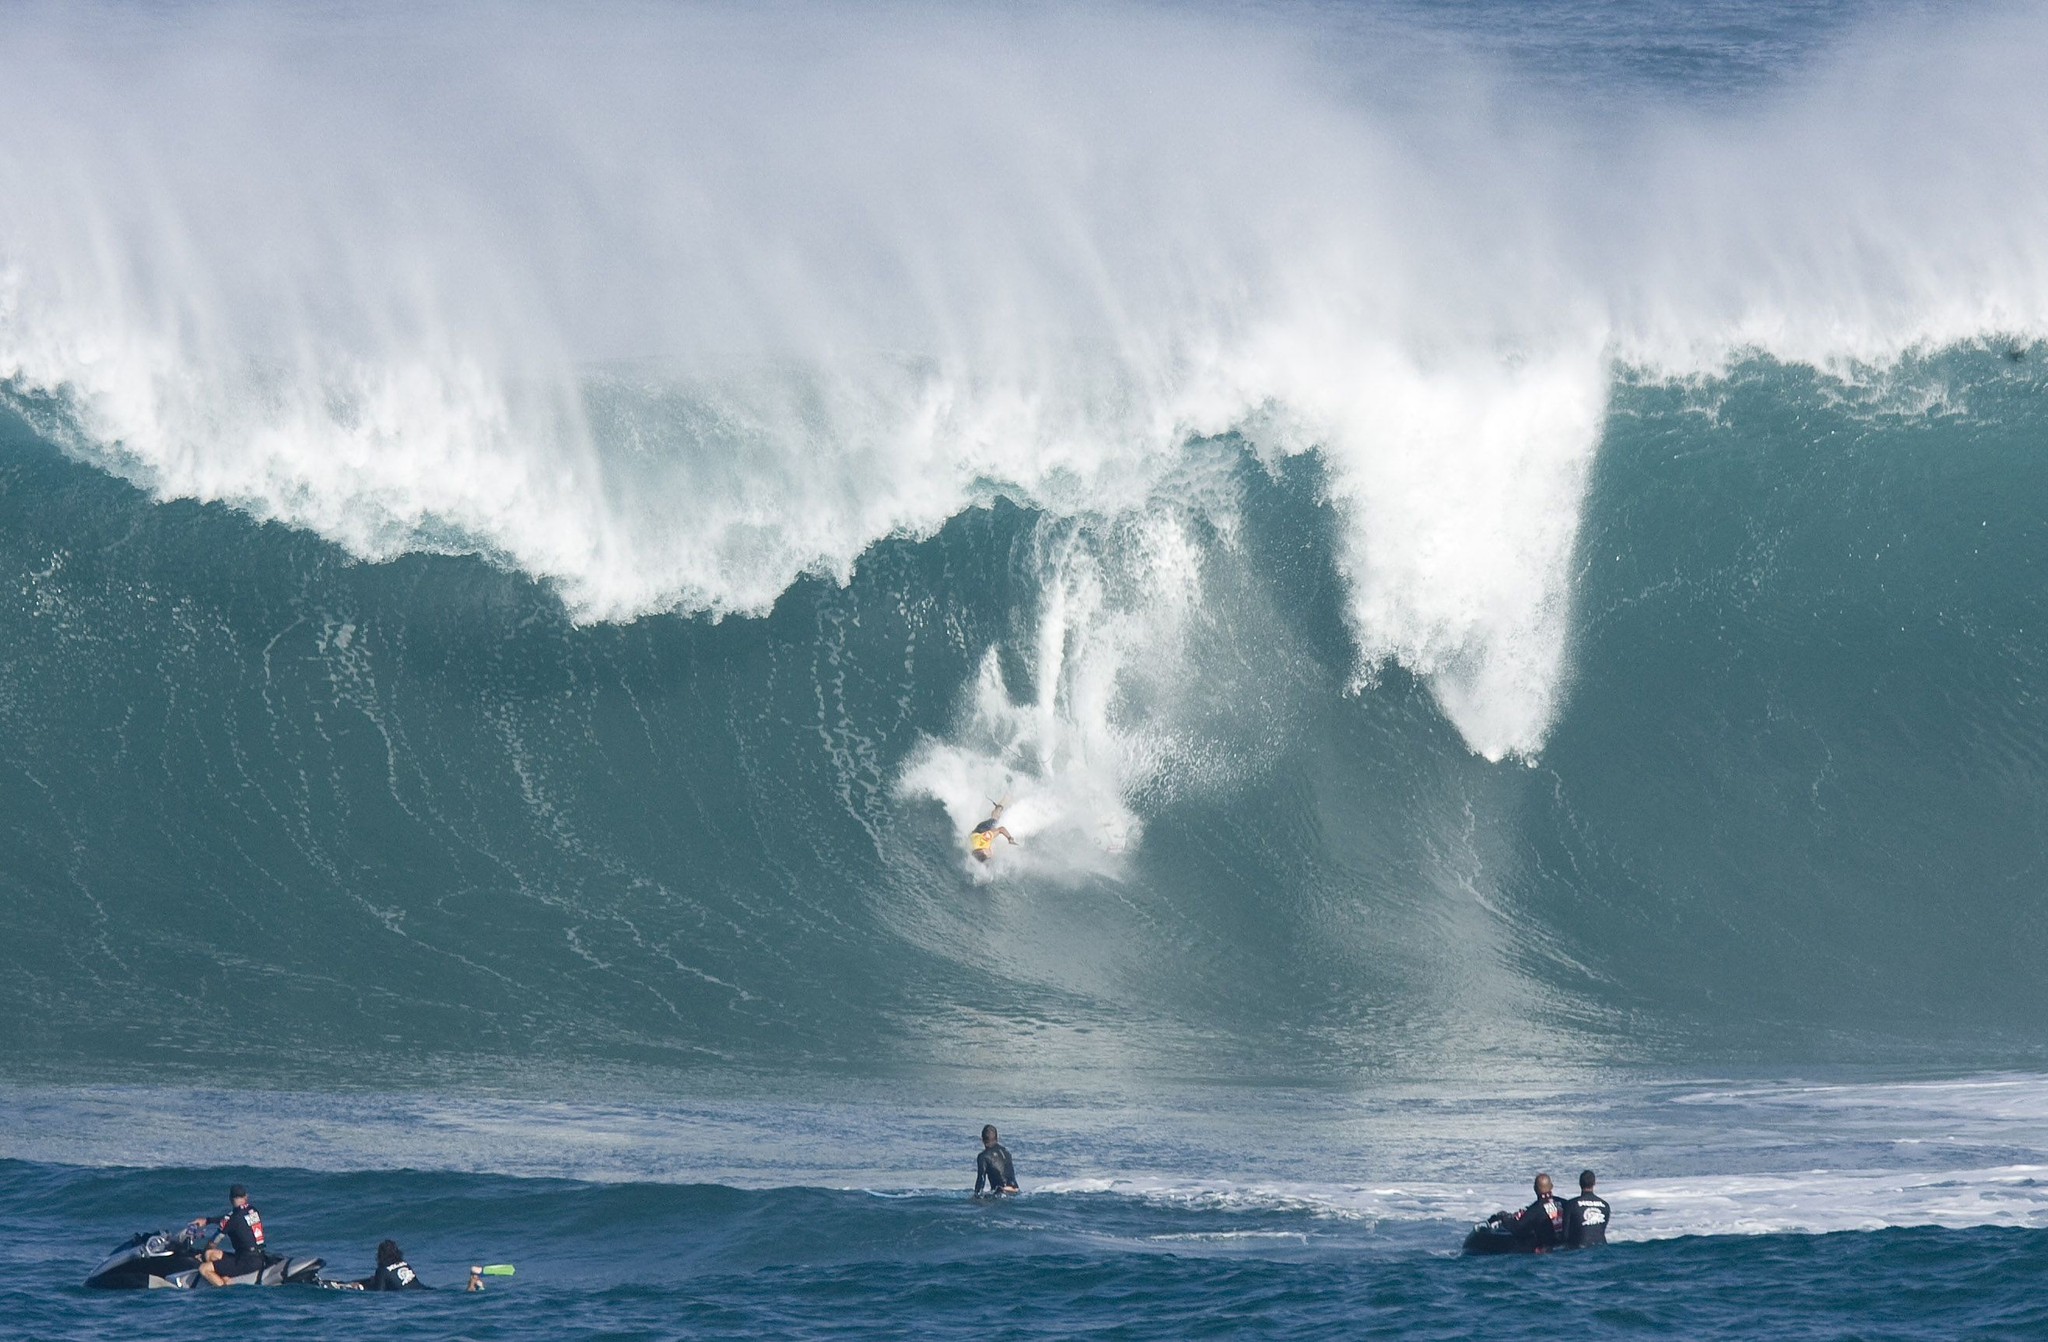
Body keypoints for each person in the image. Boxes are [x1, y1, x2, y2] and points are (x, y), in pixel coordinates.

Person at [189, 1183, 267, 1285]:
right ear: (246, 1197)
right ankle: (225, 1278)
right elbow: (231, 1219)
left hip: (246, 1262)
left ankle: (224, 1288)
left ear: (230, 1199)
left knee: (203, 1268)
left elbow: (213, 1243)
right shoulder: (253, 1211)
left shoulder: (232, 1219)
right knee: (210, 1254)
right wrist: (207, 1220)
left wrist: (202, 1254)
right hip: (259, 1257)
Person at [1512, 1172, 1568, 1251]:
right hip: (1567, 1247)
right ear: (1551, 1186)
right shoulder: (1566, 1204)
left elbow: (1518, 1230)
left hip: (1546, 1251)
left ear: (1535, 1189)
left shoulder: (1535, 1209)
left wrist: (1507, 1220)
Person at [358, 1239, 429, 1290]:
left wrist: (366, 1287)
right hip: (423, 1289)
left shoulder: (382, 1271)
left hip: (408, 1294)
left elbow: (379, 1292)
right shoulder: (405, 1264)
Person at [1567, 1169, 1611, 1247]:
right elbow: (1600, 1229)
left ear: (1580, 1183)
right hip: (1601, 1247)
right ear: (1594, 1183)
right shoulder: (1605, 1205)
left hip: (1578, 1248)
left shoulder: (1571, 1205)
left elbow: (1565, 1233)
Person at [974, 1124, 1019, 1194]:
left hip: (1001, 1191)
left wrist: (976, 1196)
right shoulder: (1006, 1151)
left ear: (982, 1139)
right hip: (1016, 1190)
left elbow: (981, 1179)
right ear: (997, 1138)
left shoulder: (983, 1156)